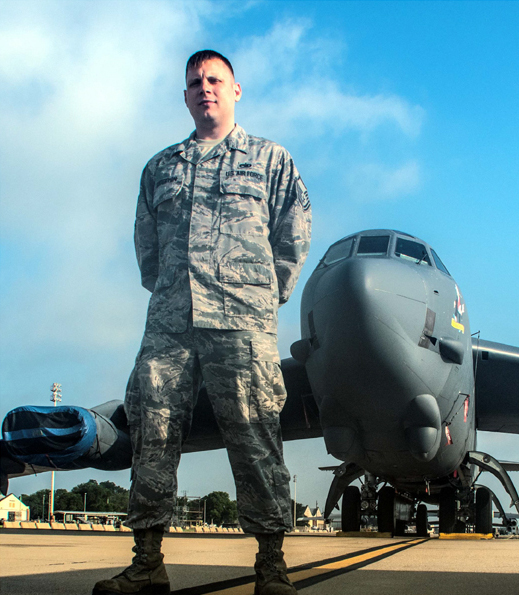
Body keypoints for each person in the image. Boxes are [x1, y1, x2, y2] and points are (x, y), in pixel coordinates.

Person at [93, 49, 311, 595]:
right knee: (152, 433)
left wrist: (262, 297)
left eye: (215, 79)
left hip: (242, 322)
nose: (205, 88)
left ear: (236, 90)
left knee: (255, 434)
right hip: (170, 326)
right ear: (185, 96)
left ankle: (271, 565)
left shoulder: (270, 159)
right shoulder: (160, 167)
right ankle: (147, 563)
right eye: (195, 82)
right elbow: (147, 246)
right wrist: (172, 295)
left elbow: (293, 236)